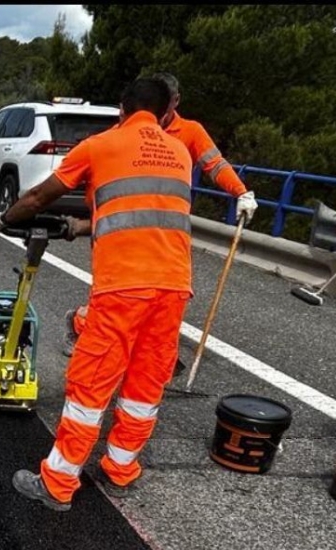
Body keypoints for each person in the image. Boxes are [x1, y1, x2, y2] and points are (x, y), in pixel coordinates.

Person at [0, 76, 193, 511]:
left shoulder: (102, 145)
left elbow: (42, 194)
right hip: (174, 286)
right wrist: (78, 228)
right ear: (165, 112)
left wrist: (4, 220)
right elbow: (139, 214)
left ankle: (58, 483)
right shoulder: (178, 153)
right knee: (145, 383)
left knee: (91, 382)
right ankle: (120, 469)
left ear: (122, 108)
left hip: (124, 289)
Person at [60, 72, 258, 361]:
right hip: (121, 228)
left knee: (157, 293)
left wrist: (241, 192)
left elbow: (214, 164)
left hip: (162, 226)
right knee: (117, 296)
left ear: (174, 102)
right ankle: (82, 324)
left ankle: (145, 348)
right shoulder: (130, 126)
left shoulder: (190, 131)